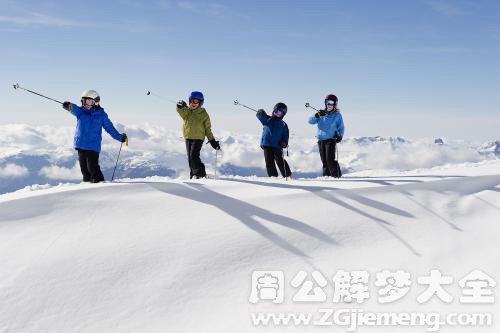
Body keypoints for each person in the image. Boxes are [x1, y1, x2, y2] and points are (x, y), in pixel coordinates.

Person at [62, 90, 127, 183]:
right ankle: (87, 188)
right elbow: (74, 108)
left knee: (93, 168)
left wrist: (120, 137)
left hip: (92, 147)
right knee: (84, 171)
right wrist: (68, 105)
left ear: (95, 102)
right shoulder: (81, 112)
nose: (85, 104)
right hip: (80, 146)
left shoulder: (101, 115)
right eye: (84, 101)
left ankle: (100, 185)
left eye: (88, 101)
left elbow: (110, 128)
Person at [176, 91, 220, 179]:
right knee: (190, 158)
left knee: (193, 156)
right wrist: (179, 106)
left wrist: (212, 141)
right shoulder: (187, 111)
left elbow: (208, 129)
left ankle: (201, 174)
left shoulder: (204, 114)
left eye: (196, 101)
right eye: (191, 101)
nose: (193, 103)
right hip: (188, 137)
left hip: (198, 138)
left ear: (200, 102)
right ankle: (193, 175)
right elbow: (181, 112)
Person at [308, 94, 345, 177]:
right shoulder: (321, 114)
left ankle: (336, 175)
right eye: (327, 102)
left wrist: (340, 136)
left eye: (331, 103)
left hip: (331, 139)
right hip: (321, 140)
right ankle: (326, 176)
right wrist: (317, 115)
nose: (329, 104)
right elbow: (310, 121)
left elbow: (341, 127)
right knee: (324, 160)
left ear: (335, 104)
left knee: (329, 159)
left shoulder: (337, 115)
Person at [256, 102, 292, 178]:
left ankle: (287, 175)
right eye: (275, 111)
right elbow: (259, 116)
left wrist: (284, 142)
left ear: (283, 114)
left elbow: (285, 135)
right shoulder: (267, 119)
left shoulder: (283, 124)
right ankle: (273, 177)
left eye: (279, 112)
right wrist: (260, 112)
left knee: (280, 160)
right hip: (267, 145)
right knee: (269, 162)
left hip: (277, 145)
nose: (276, 113)